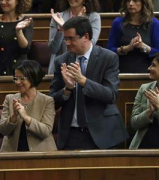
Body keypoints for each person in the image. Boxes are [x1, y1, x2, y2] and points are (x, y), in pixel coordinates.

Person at [49, 17, 128, 150]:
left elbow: (111, 95)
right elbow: (52, 102)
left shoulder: (108, 58)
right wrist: (67, 89)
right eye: (65, 39)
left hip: (103, 133)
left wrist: (83, 81)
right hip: (71, 134)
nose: (67, 43)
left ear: (86, 36)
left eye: (71, 38)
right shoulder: (61, 61)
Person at [0, 60, 57, 152]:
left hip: (41, 154)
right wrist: (14, 116)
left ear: (33, 78)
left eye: (22, 78)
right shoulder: (10, 99)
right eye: (15, 78)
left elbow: (45, 131)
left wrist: (26, 118)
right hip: (12, 154)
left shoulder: (47, 101)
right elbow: (3, 130)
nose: (17, 82)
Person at [49, 0, 101, 74]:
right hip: (60, 67)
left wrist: (73, 25)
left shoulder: (94, 17)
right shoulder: (58, 17)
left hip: (84, 65)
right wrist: (60, 30)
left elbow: (91, 43)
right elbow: (53, 48)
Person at [107, 0, 159, 73]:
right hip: (121, 71)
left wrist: (144, 47)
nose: (130, 4)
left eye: (135, 0)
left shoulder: (153, 23)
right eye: (128, 0)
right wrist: (126, 48)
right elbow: (109, 51)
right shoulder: (118, 22)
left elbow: (158, 52)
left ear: (143, 2)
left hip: (147, 72)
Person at [130, 54, 159, 149]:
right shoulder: (144, 89)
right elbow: (134, 123)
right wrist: (149, 112)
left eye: (153, 65)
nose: (149, 68)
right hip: (144, 143)